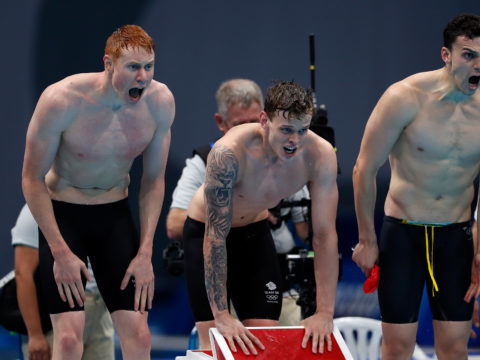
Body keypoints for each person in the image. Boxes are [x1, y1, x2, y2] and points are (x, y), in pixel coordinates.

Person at [352, 14, 480, 360]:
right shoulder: (404, 97)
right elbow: (364, 169)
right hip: (403, 235)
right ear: (446, 55)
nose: (479, 65)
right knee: (397, 348)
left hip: (454, 237)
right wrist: (367, 240)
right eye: (469, 55)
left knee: (455, 347)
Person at [21, 24, 175, 360]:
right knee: (68, 341)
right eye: (133, 67)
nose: (143, 77)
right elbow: (31, 179)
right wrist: (60, 252)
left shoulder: (160, 103)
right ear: (108, 64)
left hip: (114, 218)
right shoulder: (61, 100)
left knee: (139, 335)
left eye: (149, 67)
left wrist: (146, 252)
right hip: (64, 217)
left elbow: (153, 181)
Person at [185, 81, 339, 355]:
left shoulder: (320, 154)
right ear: (264, 120)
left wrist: (325, 312)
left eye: (303, 130)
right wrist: (222, 314)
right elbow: (215, 236)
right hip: (207, 234)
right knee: (215, 346)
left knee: (262, 344)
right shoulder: (229, 153)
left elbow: (324, 235)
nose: (295, 141)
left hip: (254, 235)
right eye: (286, 130)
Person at [166, 79, 309, 348]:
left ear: (265, 119)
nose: (247, 130)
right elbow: (175, 224)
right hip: (213, 250)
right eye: (237, 124)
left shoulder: (287, 152)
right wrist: (238, 208)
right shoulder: (210, 159)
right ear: (221, 122)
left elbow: (312, 232)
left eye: (252, 121)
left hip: (264, 255)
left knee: (267, 345)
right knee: (215, 344)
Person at [12, 204, 115, 360]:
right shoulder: (33, 212)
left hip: (100, 310)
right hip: (56, 315)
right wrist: (35, 334)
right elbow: (23, 275)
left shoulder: (97, 202)